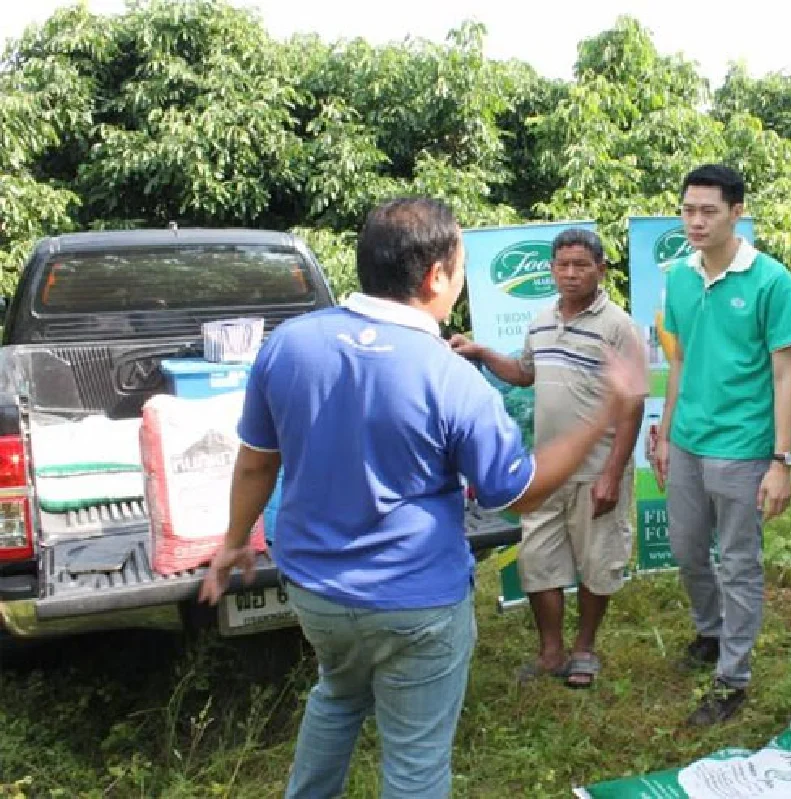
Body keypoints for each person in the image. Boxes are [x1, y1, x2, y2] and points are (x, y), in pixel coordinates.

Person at [197, 198, 647, 799]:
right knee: (415, 765)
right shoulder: (448, 376)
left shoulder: (289, 346)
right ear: (436, 275)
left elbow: (256, 461)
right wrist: (601, 420)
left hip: (315, 592)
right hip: (417, 604)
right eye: (459, 266)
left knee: (337, 693)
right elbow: (516, 493)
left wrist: (233, 544)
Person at [450, 228, 645, 689]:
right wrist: (479, 351)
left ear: (600, 269)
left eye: (582, 265)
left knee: (598, 563)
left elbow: (633, 404)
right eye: (563, 265)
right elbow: (523, 375)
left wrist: (613, 475)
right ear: (552, 269)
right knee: (538, 563)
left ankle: (584, 649)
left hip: (598, 469)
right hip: (547, 470)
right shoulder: (541, 320)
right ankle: (551, 652)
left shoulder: (618, 326)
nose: (571, 273)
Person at [652, 163, 791, 726]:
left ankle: (732, 678)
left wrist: (781, 460)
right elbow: (682, 360)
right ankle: (710, 632)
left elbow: (786, 375)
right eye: (688, 210)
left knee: (738, 562)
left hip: (742, 446)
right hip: (688, 440)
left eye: (708, 210)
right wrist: (666, 435)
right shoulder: (680, 277)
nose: (696, 221)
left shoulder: (771, 281)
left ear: (737, 212)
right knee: (688, 549)